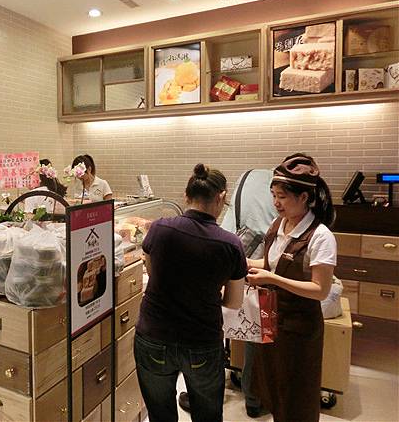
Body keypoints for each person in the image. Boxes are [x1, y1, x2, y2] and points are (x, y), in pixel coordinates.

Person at [134, 163, 246, 422]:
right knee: (207, 416)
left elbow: (151, 272)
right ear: (221, 197)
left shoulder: (160, 228)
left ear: (186, 195)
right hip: (201, 341)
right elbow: (233, 301)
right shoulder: (231, 244)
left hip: (153, 336)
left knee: (160, 415)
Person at [178, 169, 277, 418]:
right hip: (260, 269)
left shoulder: (248, 177)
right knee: (257, 332)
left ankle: (205, 393)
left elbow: (230, 224)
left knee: (219, 325)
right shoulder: (281, 190)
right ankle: (254, 398)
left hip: (227, 257)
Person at [247, 153, 336, 422]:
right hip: (272, 320)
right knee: (274, 388)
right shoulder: (279, 224)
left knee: (297, 396)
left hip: (300, 329)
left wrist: (272, 279)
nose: (276, 203)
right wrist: (242, 262)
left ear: (304, 197)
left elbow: (320, 289)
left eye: (282, 197)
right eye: (273, 195)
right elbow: (272, 263)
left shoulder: (321, 237)